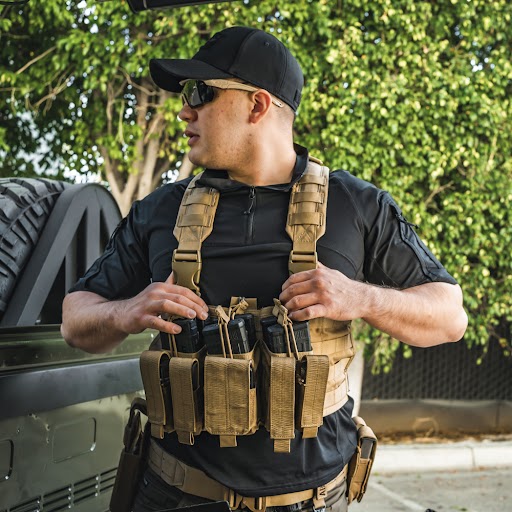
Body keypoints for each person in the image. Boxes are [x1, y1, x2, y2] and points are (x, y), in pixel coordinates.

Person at [61, 26, 468, 512]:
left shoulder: (356, 206)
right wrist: (127, 311)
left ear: (257, 105)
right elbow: (74, 319)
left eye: (200, 93)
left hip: (312, 500)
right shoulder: (160, 210)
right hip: (177, 495)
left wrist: (361, 298)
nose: (184, 110)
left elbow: (449, 315)